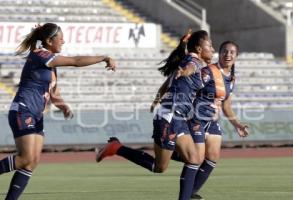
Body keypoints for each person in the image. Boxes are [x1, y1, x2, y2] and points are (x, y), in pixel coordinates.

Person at [0, 22, 116, 200]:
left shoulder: (50, 64)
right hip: (24, 111)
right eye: (60, 39)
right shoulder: (41, 55)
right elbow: (75, 62)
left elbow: (53, 92)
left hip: (36, 116)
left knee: (31, 163)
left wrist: (62, 106)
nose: (64, 42)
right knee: (25, 158)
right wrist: (104, 58)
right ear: (48, 40)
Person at [95, 30, 215, 200]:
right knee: (159, 167)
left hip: (174, 116)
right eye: (209, 45)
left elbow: (166, 85)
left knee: (195, 158)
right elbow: (190, 68)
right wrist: (185, 72)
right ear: (199, 48)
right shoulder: (193, 61)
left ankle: (186, 196)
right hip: (170, 118)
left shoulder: (188, 61)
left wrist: (156, 101)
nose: (212, 49)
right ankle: (117, 148)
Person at [173, 41, 250, 199]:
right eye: (225, 51)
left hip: (212, 122)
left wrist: (237, 124)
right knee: (196, 158)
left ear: (236, 56)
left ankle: (191, 192)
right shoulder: (209, 72)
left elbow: (226, 105)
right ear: (219, 53)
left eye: (232, 52)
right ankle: (184, 195)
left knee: (213, 156)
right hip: (197, 119)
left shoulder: (232, 79)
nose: (228, 54)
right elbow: (191, 86)